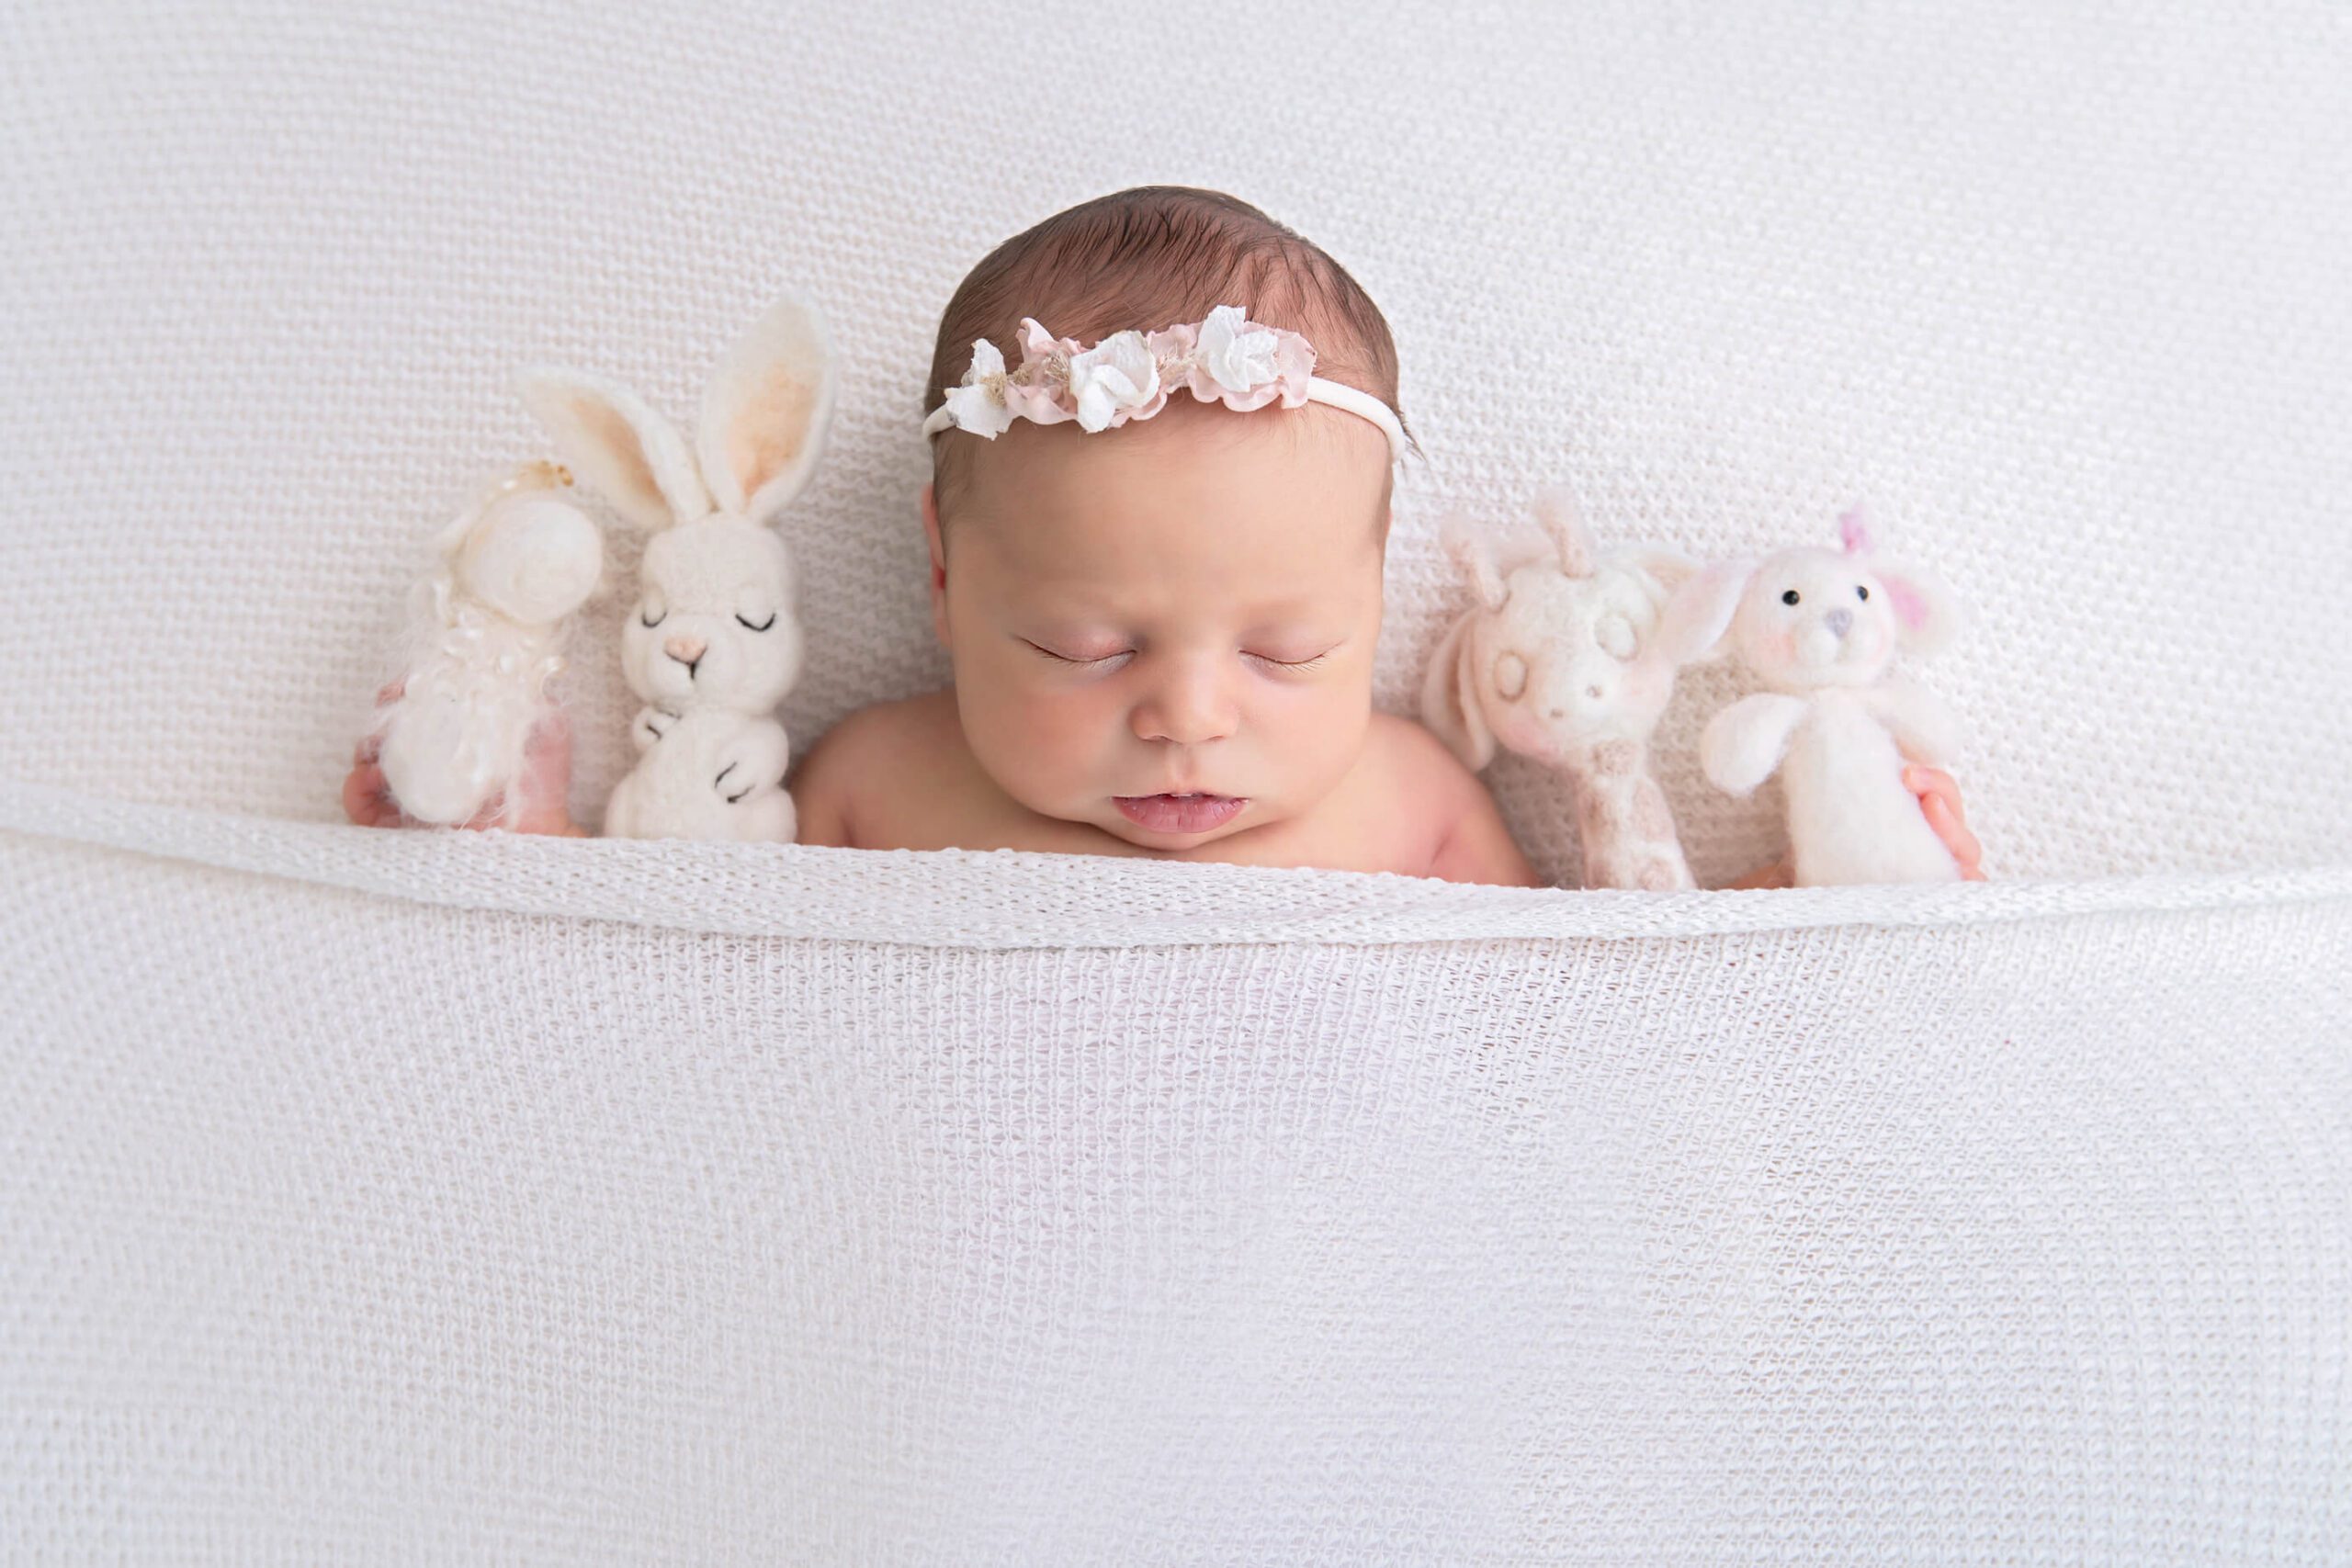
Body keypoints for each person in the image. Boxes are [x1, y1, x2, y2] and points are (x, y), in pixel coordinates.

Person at [346, 186, 1983, 887]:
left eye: (1289, 649)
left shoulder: (1416, 805)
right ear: (941, 569)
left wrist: (1800, 897)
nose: (1188, 714)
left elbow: (1587, 1036)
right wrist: (532, 865)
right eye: (1081, 643)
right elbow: (688, 999)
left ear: (1381, 590)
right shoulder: (867, 787)